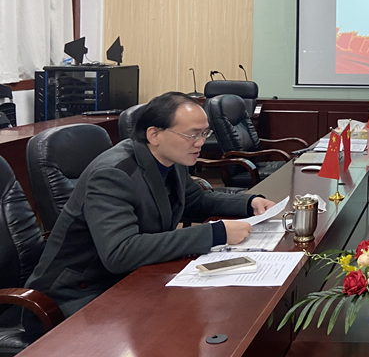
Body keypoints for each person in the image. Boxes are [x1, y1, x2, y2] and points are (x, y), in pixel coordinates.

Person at [26, 92, 275, 321]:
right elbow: (120, 252)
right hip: (76, 294)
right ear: (154, 135)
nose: (200, 143)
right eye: (192, 135)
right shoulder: (113, 174)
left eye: (204, 133)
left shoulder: (171, 158)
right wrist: (216, 233)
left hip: (131, 276)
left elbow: (195, 201)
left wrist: (249, 203)